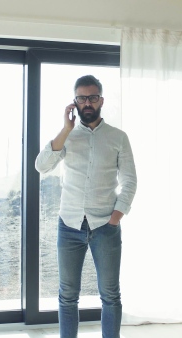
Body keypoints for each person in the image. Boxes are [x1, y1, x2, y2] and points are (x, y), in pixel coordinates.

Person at [35, 75, 137, 338]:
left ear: (101, 100)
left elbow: (129, 181)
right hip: (69, 225)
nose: (87, 103)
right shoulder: (67, 137)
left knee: (110, 295)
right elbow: (41, 165)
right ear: (75, 102)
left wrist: (115, 217)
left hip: (105, 226)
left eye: (92, 97)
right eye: (82, 98)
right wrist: (65, 129)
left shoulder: (118, 137)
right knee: (67, 296)